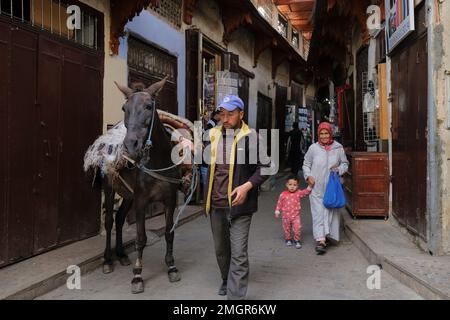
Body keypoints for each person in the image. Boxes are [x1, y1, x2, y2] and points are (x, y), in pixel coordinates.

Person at [204, 94, 269, 300]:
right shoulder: (213, 134)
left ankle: (235, 299)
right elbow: (204, 160)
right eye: (222, 114)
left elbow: (266, 167)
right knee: (221, 251)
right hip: (216, 203)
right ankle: (226, 278)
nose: (225, 118)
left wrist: (247, 186)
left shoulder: (252, 137)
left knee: (238, 253)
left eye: (230, 114)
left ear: (241, 114)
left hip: (240, 206)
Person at [302, 122, 349, 255]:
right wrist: (308, 176)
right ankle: (320, 240)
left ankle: (327, 235)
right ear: (318, 134)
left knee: (330, 212)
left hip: (331, 188)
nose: (324, 136)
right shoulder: (313, 148)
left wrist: (339, 169)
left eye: (326, 133)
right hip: (316, 187)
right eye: (321, 133)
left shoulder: (338, 148)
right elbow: (306, 164)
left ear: (330, 134)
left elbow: (345, 164)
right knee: (317, 213)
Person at [274, 176, 313, 249]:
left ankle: (297, 240)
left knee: (297, 228)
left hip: (296, 216)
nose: (292, 187)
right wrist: (277, 211)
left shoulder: (298, 193)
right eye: (290, 184)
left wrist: (310, 186)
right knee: (287, 228)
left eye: (295, 185)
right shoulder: (283, 194)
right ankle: (288, 239)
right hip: (285, 216)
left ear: (297, 186)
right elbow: (279, 203)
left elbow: (305, 192)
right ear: (287, 185)